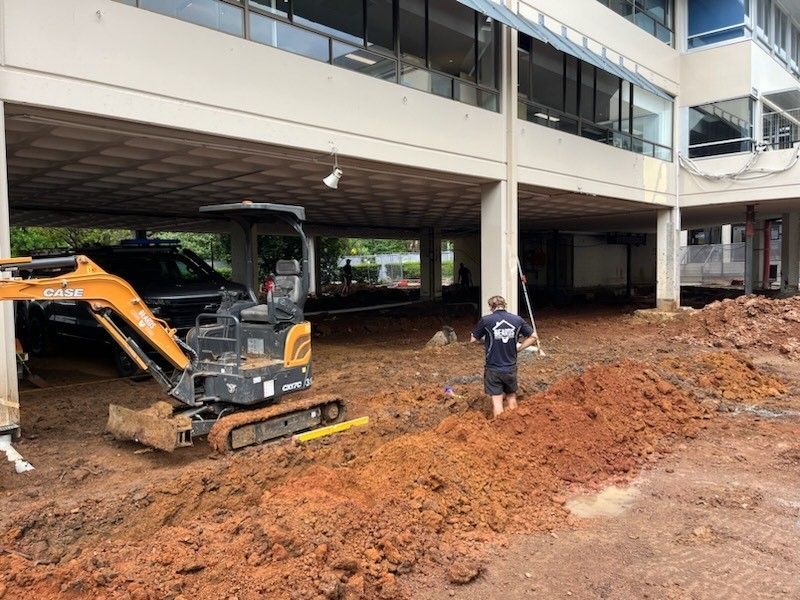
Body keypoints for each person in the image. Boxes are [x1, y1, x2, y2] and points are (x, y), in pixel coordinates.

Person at [470, 295, 538, 418]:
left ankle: (499, 428)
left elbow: (473, 339)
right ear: (505, 305)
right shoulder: (517, 320)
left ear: (491, 307)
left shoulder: (486, 320)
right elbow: (533, 336)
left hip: (493, 368)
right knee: (511, 397)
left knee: (497, 400)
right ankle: (513, 426)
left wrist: (487, 341)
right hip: (510, 367)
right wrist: (520, 348)